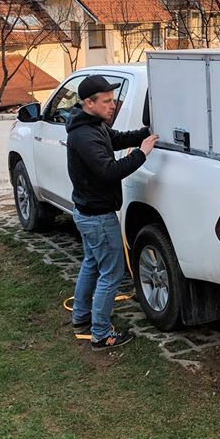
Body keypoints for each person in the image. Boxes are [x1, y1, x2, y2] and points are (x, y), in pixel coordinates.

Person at [66, 75, 158, 350]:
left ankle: (81, 316)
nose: (113, 105)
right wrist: (141, 154)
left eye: (112, 99)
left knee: (92, 264)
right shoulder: (84, 136)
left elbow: (116, 139)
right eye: (106, 101)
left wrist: (144, 133)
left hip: (87, 212)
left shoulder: (93, 125)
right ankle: (101, 335)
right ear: (88, 103)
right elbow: (109, 171)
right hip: (97, 216)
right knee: (111, 273)